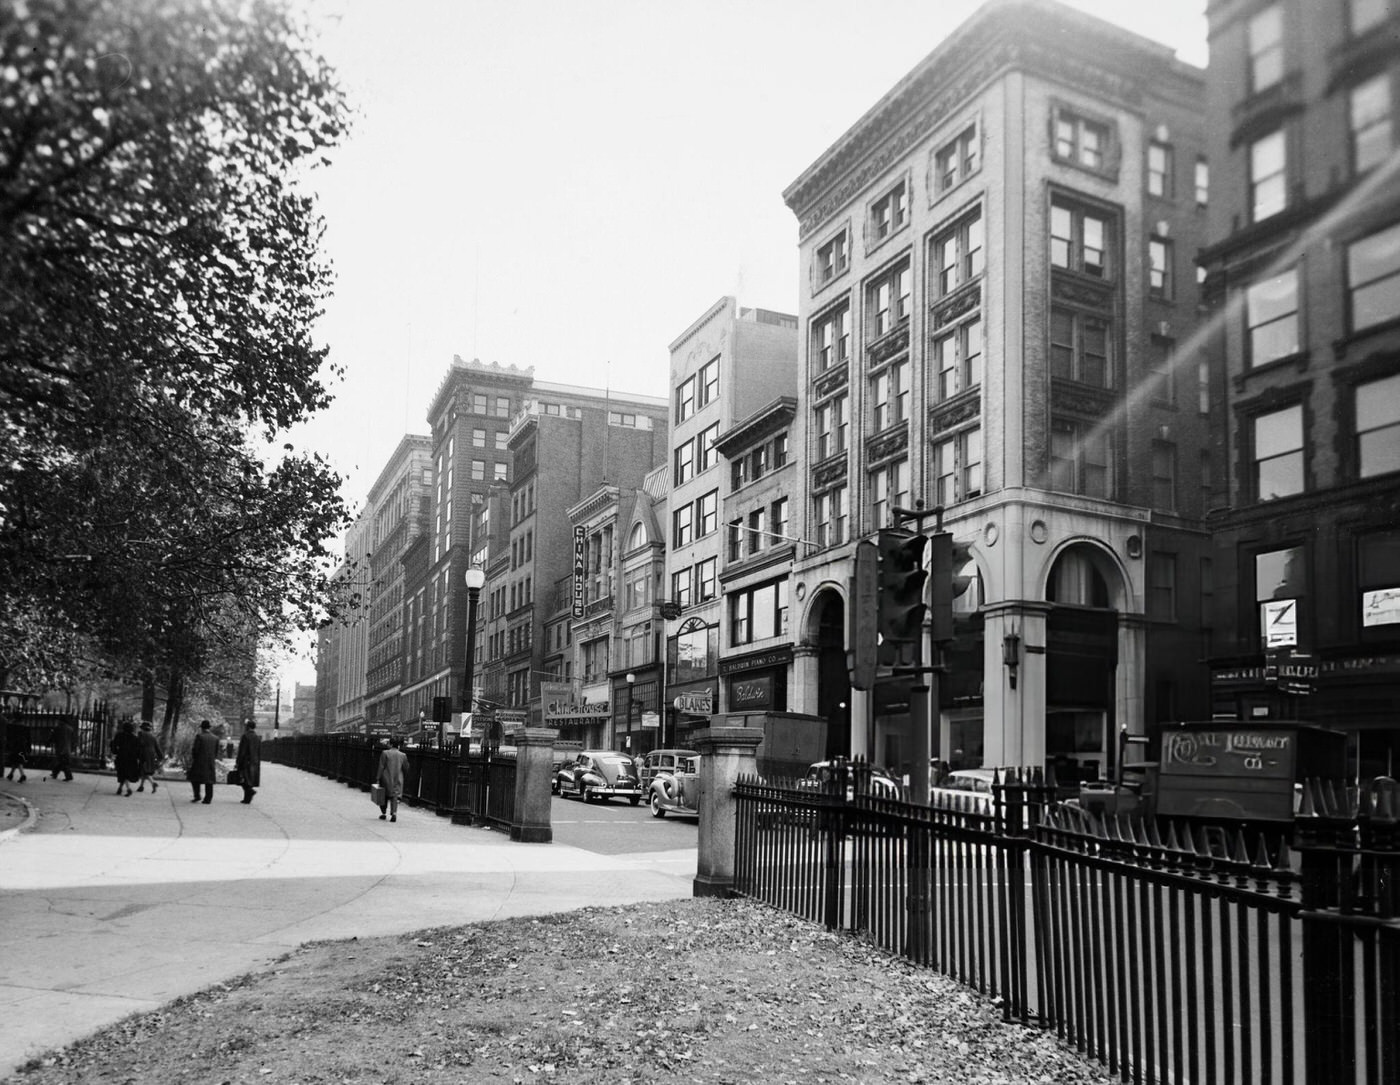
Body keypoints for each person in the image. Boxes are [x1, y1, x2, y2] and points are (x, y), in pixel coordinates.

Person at [374, 736, 408, 823]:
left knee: (383, 795)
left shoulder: (385, 753)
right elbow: (406, 767)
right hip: (398, 778)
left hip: (386, 777)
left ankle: (384, 812)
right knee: (394, 796)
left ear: (390, 744)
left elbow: (381, 766)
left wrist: (378, 778)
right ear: (399, 745)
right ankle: (394, 813)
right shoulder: (403, 755)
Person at [188, 720, 219, 804]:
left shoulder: (200, 736)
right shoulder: (215, 738)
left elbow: (195, 750)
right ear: (209, 728)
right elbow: (216, 751)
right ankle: (208, 798)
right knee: (209, 780)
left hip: (199, 761)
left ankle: (197, 796)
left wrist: (194, 758)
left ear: (202, 728)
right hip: (210, 761)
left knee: (195, 779)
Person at [235, 719, 261, 804]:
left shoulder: (245, 736)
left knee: (243, 779)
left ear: (247, 727)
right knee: (249, 780)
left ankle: (250, 792)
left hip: (245, 761)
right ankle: (247, 798)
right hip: (254, 761)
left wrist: (238, 761)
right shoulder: (257, 737)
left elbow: (242, 750)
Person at [111, 720, 140, 796]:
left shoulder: (119, 735)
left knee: (122, 773)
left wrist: (115, 752)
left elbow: (114, 744)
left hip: (121, 756)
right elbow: (138, 749)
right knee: (126, 773)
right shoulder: (135, 738)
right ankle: (120, 788)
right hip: (131, 758)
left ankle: (128, 789)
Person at [136, 721, 163, 793]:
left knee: (145, 771)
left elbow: (138, 744)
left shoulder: (141, 734)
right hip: (151, 755)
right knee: (146, 770)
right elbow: (157, 747)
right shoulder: (153, 736)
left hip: (143, 754)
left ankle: (153, 783)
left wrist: (136, 754)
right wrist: (160, 756)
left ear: (142, 728)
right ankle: (141, 786)